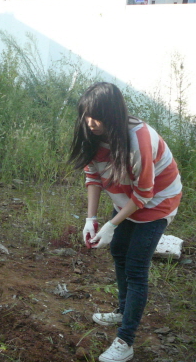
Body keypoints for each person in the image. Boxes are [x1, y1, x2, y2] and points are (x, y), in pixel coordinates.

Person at [69, 82, 182, 362]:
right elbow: (93, 176)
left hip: (157, 202)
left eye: (98, 117)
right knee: (118, 250)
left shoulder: (137, 139)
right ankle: (122, 310)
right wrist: (91, 219)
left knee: (135, 266)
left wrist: (112, 224)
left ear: (114, 115)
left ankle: (126, 340)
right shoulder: (90, 132)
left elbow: (145, 194)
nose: (91, 123)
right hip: (129, 199)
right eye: (86, 115)